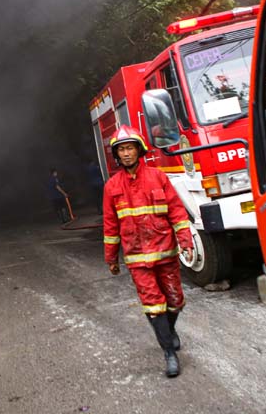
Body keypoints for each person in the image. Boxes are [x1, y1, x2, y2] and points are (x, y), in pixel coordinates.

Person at [102, 125, 194, 378]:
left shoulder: (158, 177)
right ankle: (169, 353)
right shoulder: (111, 187)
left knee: (175, 301)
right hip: (137, 258)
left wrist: (185, 239)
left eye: (130, 147)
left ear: (139, 150)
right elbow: (110, 226)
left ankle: (168, 329)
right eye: (121, 150)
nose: (126, 153)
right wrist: (111, 257)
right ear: (117, 155)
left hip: (166, 252)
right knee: (154, 305)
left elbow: (176, 211)